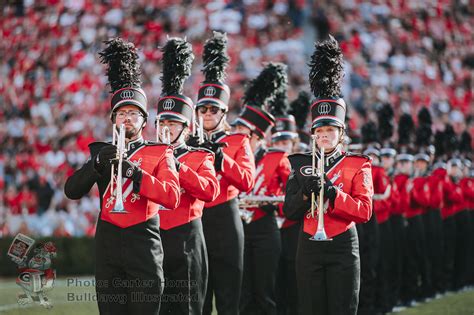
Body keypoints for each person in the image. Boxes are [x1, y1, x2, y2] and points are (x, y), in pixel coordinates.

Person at [64, 38, 181, 315]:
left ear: (144, 120)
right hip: (108, 242)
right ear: (112, 119)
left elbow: (172, 197)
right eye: (121, 114)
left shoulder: (160, 152)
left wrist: (135, 173)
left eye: (133, 113)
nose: (126, 118)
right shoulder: (101, 151)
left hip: (144, 242)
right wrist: (95, 165)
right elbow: (72, 190)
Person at [283, 36, 373, 315]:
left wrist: (334, 193)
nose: (323, 137)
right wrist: (305, 192)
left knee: (342, 308)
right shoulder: (300, 163)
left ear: (341, 134)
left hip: (343, 246)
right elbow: (289, 210)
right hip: (308, 245)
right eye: (319, 132)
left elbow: (365, 211)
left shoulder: (358, 164)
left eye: (329, 131)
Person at [189, 32, 255, 315]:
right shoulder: (187, 143)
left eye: (213, 110)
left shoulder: (239, 141)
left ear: (223, 111)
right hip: (198, 219)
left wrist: (221, 159)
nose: (207, 114)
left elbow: (247, 182)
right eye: (202, 109)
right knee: (200, 297)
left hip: (227, 218)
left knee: (230, 298)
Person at [155, 37, 220, 315]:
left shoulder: (200, 155)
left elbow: (210, 191)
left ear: (187, 127)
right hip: (154, 237)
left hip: (186, 239)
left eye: (174, 123)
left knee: (189, 308)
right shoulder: (148, 154)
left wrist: (179, 168)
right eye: (164, 122)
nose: (167, 128)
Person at [231, 63, 287, 315]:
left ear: (257, 135)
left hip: (265, 228)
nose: (236, 134)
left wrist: (272, 200)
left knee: (265, 294)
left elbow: (292, 198)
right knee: (242, 294)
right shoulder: (230, 157)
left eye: (243, 131)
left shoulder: (277, 158)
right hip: (239, 228)